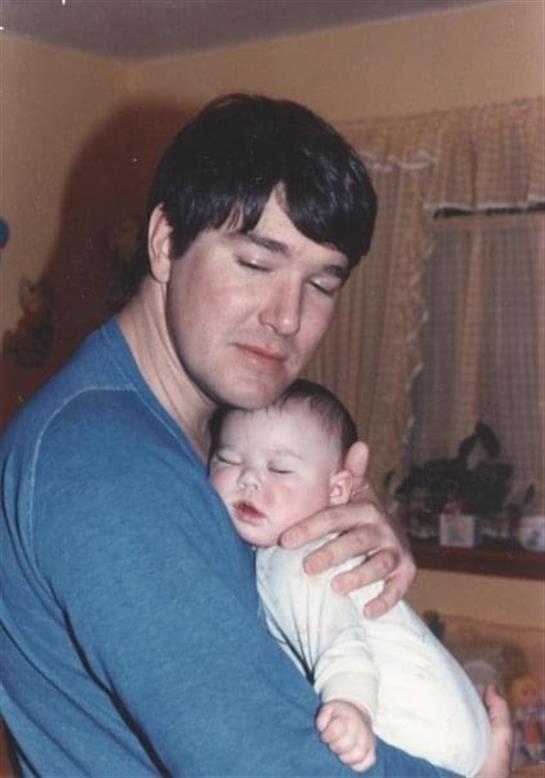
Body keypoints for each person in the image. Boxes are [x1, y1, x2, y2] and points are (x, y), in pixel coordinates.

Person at [1, 93, 510, 777]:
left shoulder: (192, 446)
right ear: (164, 242)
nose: (287, 316)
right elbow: (264, 763)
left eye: (321, 284)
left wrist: (340, 547)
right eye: (256, 263)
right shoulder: (105, 460)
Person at [209, 379, 510, 777]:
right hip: (465, 732)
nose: (248, 479)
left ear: (337, 490)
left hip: (428, 744)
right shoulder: (319, 545)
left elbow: (342, 645)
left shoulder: (294, 561)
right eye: (228, 459)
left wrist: (350, 706)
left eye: (279, 468)